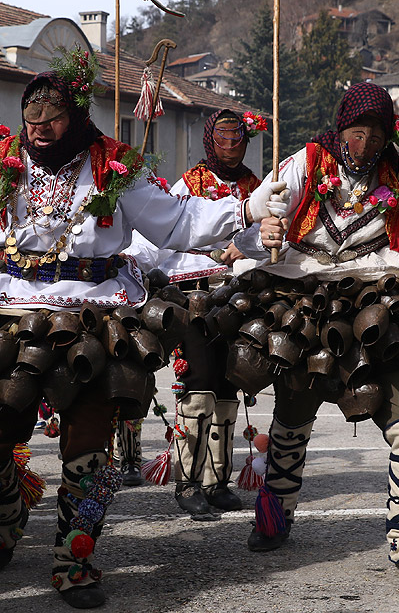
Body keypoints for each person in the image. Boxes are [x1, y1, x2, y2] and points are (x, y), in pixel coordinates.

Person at [0, 54, 259, 608]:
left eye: (51, 119)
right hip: (7, 308)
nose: (39, 129)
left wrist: (246, 208)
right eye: (31, 119)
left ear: (74, 114)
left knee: (88, 449)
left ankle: (75, 556)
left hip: (95, 312)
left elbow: (176, 219)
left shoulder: (114, 163)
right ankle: (6, 515)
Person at [233, 81, 399, 583]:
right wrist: (261, 233)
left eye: (375, 135)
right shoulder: (304, 163)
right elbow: (251, 218)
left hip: (381, 301)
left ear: (388, 135)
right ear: (340, 129)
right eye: (356, 132)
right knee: (291, 418)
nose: (365, 145)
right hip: (306, 300)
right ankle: (274, 517)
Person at [125, 108, 264, 517]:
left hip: (238, 294)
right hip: (195, 297)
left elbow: (269, 235)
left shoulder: (255, 187)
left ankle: (217, 480)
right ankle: (188, 482)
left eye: (237, 138)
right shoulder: (190, 184)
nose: (230, 145)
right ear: (210, 140)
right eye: (222, 138)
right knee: (200, 383)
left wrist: (250, 243)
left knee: (227, 385)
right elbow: (160, 232)